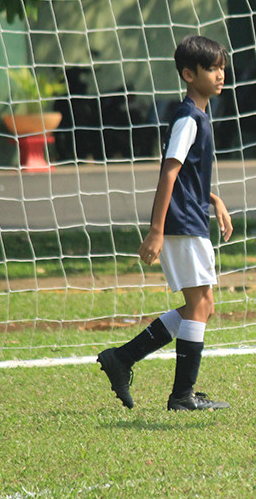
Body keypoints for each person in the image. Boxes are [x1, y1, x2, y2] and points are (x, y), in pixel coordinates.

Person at [98, 35, 235, 410]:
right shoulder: (188, 118)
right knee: (201, 302)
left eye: (222, 66)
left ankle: (123, 358)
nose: (220, 74)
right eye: (212, 68)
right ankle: (181, 396)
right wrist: (156, 231)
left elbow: (189, 176)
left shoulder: (199, 115)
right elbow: (168, 174)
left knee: (201, 305)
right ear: (189, 75)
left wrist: (214, 198)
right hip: (181, 224)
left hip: (190, 218)